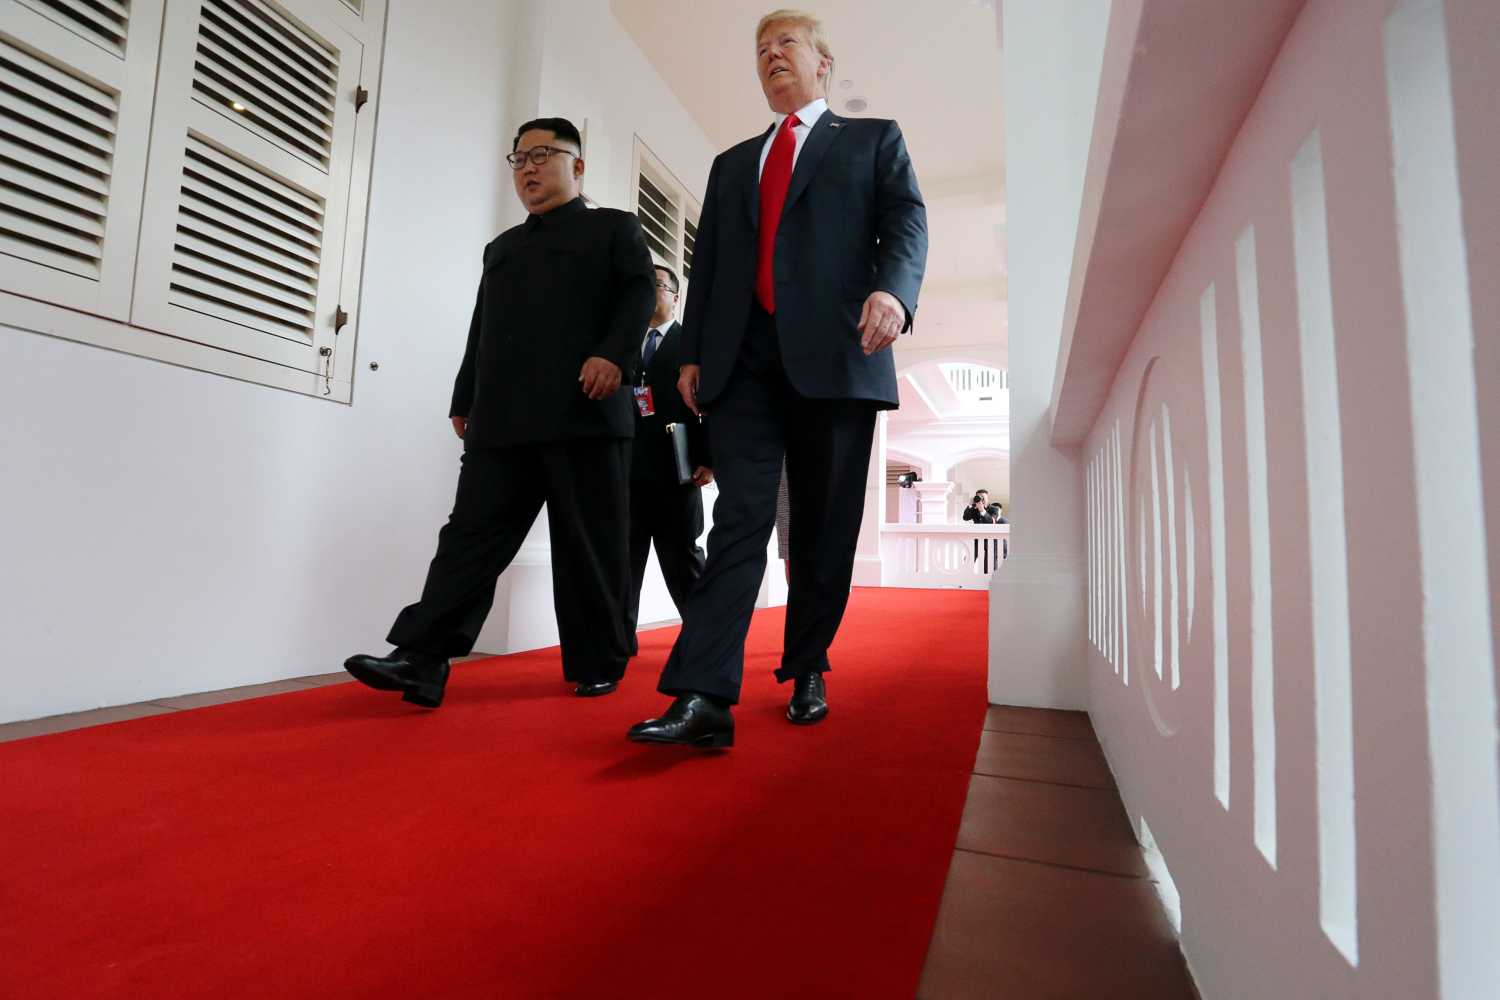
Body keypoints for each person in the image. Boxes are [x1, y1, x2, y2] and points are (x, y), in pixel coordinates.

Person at [628, 9, 928, 748]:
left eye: (785, 44)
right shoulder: (733, 164)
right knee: (740, 518)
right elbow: (711, 269)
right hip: (745, 362)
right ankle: (703, 695)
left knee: (824, 527)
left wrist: (893, 291)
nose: (770, 57)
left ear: (823, 61)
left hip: (838, 353)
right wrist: (693, 350)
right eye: (760, 50)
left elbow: (907, 220)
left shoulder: (871, 140)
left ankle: (808, 663)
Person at [343, 117, 656, 707]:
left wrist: (613, 355)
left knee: (588, 543)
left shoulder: (615, 229)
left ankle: (598, 659)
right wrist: (465, 397)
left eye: (543, 154)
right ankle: (423, 658)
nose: (529, 168)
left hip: (586, 412)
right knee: (469, 538)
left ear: (578, 166)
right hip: (503, 420)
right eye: (519, 160)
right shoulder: (503, 248)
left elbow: (639, 293)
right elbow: (482, 329)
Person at [624, 265, 713, 651]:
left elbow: (709, 406)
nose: (650, 292)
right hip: (627, 476)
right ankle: (617, 643)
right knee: (622, 566)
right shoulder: (624, 345)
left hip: (679, 474)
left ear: (675, 297)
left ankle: (705, 640)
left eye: (658, 286)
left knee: (684, 561)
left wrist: (709, 458)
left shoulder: (691, 346)